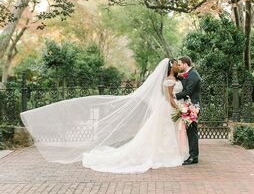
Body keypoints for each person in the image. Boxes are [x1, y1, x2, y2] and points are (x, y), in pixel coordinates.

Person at [20, 58, 190, 174]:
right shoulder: (168, 80)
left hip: (166, 109)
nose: (177, 65)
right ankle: (161, 155)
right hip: (167, 108)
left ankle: (165, 154)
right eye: (175, 63)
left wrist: (179, 107)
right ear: (170, 67)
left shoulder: (172, 78)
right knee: (160, 134)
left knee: (161, 134)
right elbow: (169, 98)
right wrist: (180, 109)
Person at [176, 56, 202, 165]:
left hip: (192, 106)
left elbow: (188, 91)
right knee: (190, 131)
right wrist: (176, 76)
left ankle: (193, 157)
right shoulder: (189, 73)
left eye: (180, 64)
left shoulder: (193, 75)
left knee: (192, 132)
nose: (179, 66)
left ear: (185, 64)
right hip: (189, 105)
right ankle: (193, 155)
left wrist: (173, 95)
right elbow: (185, 80)